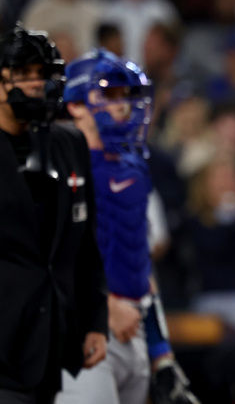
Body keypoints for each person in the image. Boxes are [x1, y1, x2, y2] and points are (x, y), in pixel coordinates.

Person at [57, 50, 199, 404]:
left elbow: (139, 265)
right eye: (108, 94)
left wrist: (161, 352)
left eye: (126, 95)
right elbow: (45, 263)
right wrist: (102, 308)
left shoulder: (132, 168)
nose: (122, 105)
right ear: (75, 105)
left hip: (133, 331)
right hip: (80, 330)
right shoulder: (57, 170)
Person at [0, 24, 108, 403]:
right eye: (23, 74)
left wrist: (96, 321)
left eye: (42, 74)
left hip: (55, 339)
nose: (35, 84)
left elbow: (85, 243)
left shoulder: (68, 142)